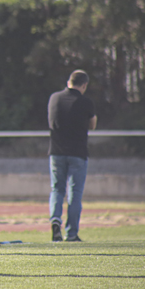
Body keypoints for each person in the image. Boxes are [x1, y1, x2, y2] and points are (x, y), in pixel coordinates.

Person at [48, 70, 96, 242]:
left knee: (57, 189)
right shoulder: (86, 102)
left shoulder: (54, 98)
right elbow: (93, 124)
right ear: (84, 85)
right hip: (77, 153)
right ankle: (72, 233)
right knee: (75, 193)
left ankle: (55, 219)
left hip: (56, 152)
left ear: (69, 81)